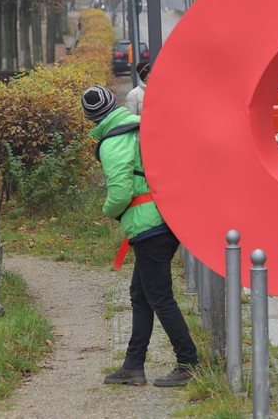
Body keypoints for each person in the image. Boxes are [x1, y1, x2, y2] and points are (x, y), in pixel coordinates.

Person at [81, 85, 199, 386]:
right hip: (165, 217)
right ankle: (133, 366)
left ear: (89, 117)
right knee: (141, 294)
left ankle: (189, 364)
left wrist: (109, 211)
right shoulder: (137, 127)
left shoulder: (113, 141)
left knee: (159, 296)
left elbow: (121, 191)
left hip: (148, 226)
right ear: (114, 104)